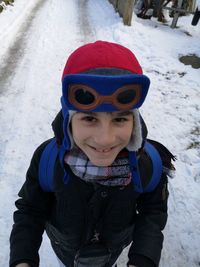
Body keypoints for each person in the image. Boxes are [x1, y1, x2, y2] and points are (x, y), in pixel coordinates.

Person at [9, 40, 175, 267]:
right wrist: (23, 259)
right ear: (69, 119)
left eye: (120, 119)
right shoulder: (48, 161)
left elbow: (153, 211)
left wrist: (142, 258)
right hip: (65, 252)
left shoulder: (148, 163)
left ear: (134, 122)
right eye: (89, 118)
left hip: (113, 250)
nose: (105, 139)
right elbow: (30, 210)